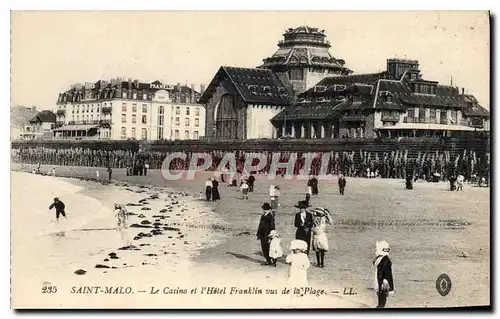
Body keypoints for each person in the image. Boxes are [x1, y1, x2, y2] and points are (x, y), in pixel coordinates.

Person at [373, 240, 394, 308]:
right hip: (380, 279)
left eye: (376, 249)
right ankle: (380, 305)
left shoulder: (385, 260)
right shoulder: (382, 258)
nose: (375, 251)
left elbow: (389, 275)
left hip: (383, 281)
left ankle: (380, 306)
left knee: (382, 294)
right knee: (380, 293)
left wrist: (391, 288)